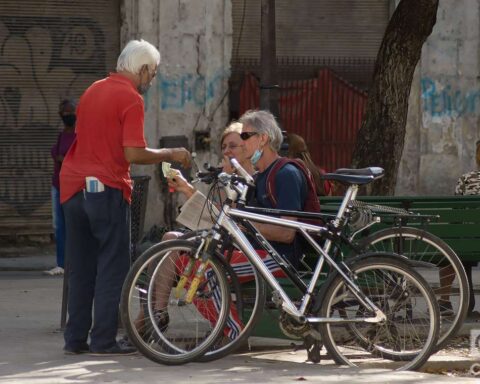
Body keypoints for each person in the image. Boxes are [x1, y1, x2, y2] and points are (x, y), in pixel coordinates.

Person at [60, 39, 191, 356]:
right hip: (105, 188)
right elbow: (132, 152)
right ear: (144, 69)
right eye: (153, 73)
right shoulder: (130, 98)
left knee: (80, 266)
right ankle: (103, 340)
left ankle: (75, 339)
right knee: (112, 266)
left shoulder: (94, 89)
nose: (151, 80)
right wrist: (171, 153)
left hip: (72, 186)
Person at [45, 99, 77, 276]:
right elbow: (54, 152)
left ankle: (74, 262)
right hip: (58, 185)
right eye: (65, 113)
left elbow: (80, 157)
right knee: (59, 226)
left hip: (73, 187)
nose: (68, 116)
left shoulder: (80, 135)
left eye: (71, 113)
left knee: (74, 225)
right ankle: (61, 263)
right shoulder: (61, 135)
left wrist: (64, 160)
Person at [451, 140, 480, 317]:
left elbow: (456, 213)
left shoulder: (466, 179)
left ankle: (468, 303)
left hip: (470, 241)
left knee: (465, 252)